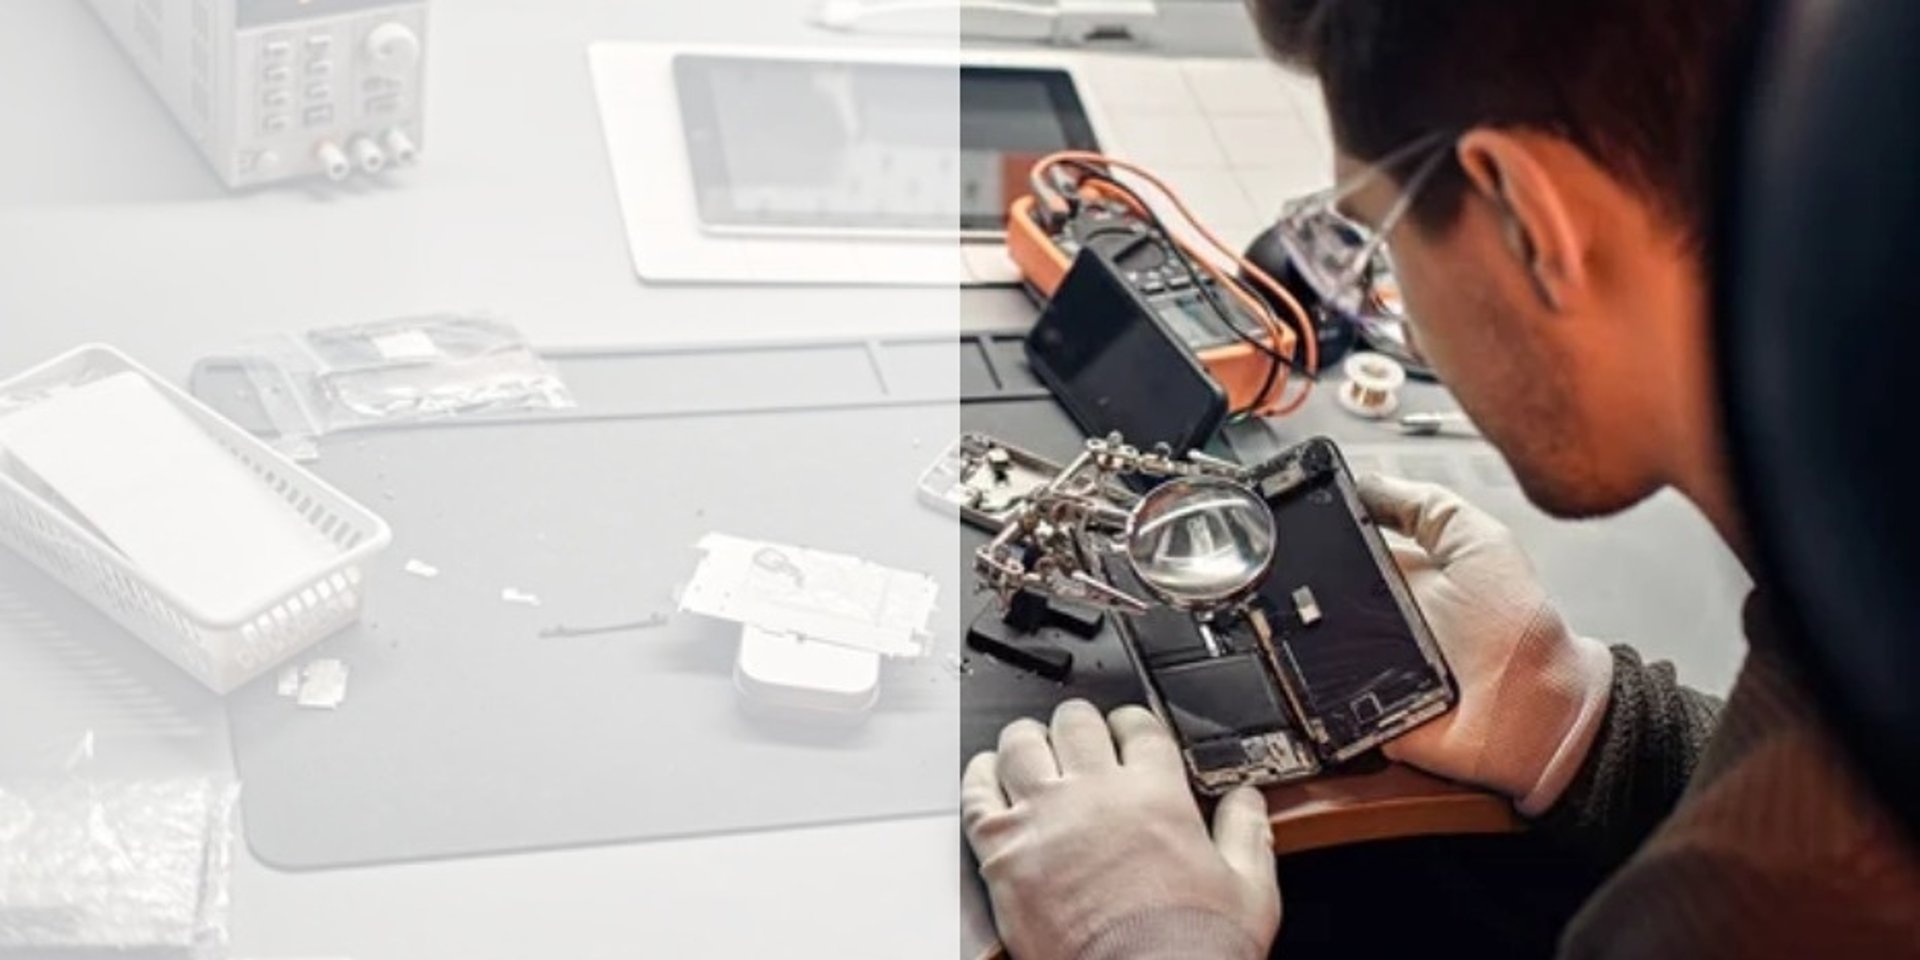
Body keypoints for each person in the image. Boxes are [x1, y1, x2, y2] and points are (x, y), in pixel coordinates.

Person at [960, 2, 1920, 958]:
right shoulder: (1863, 596)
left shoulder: (1753, 907)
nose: (1394, 302)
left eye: (1376, 248)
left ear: (1525, 217)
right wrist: (1580, 720)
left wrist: (1149, 942)